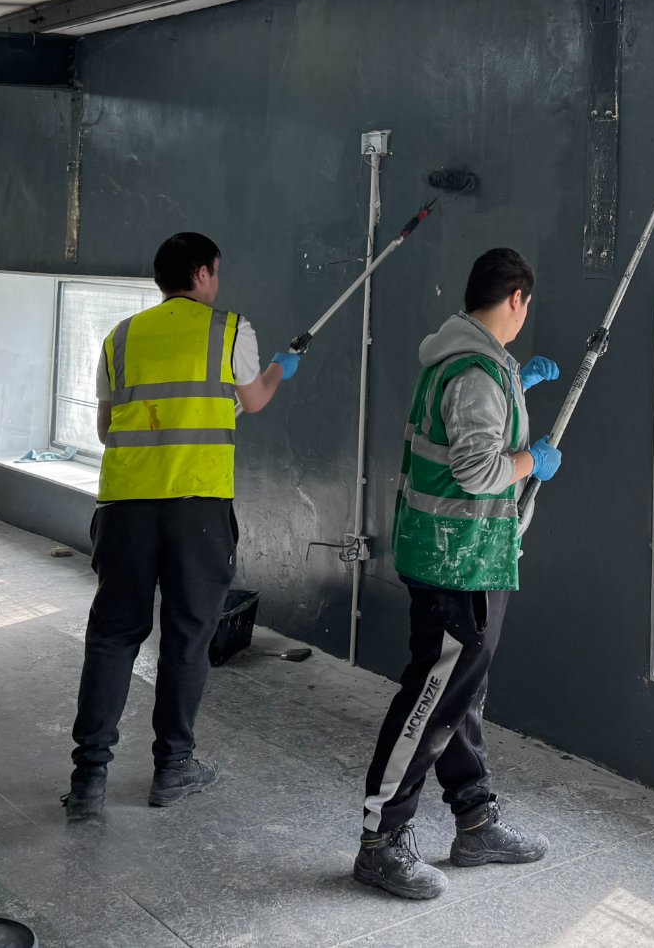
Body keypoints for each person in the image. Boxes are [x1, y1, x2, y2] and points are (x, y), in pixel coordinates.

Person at [63, 232, 300, 821]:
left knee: (114, 636)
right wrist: (277, 370)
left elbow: (104, 430)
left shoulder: (121, 338)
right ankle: (173, 769)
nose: (217, 283)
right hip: (197, 509)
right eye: (215, 273)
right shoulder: (228, 329)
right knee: (187, 638)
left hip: (124, 509)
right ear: (201, 274)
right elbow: (256, 401)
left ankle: (88, 779)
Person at [353, 246, 562, 900]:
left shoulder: (471, 365)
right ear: (516, 299)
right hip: (456, 561)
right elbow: (476, 470)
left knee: (461, 693)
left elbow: (465, 435)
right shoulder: (473, 372)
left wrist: (516, 388)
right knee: (431, 699)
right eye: (526, 304)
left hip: (467, 557)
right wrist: (532, 460)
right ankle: (381, 841)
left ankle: (476, 820)